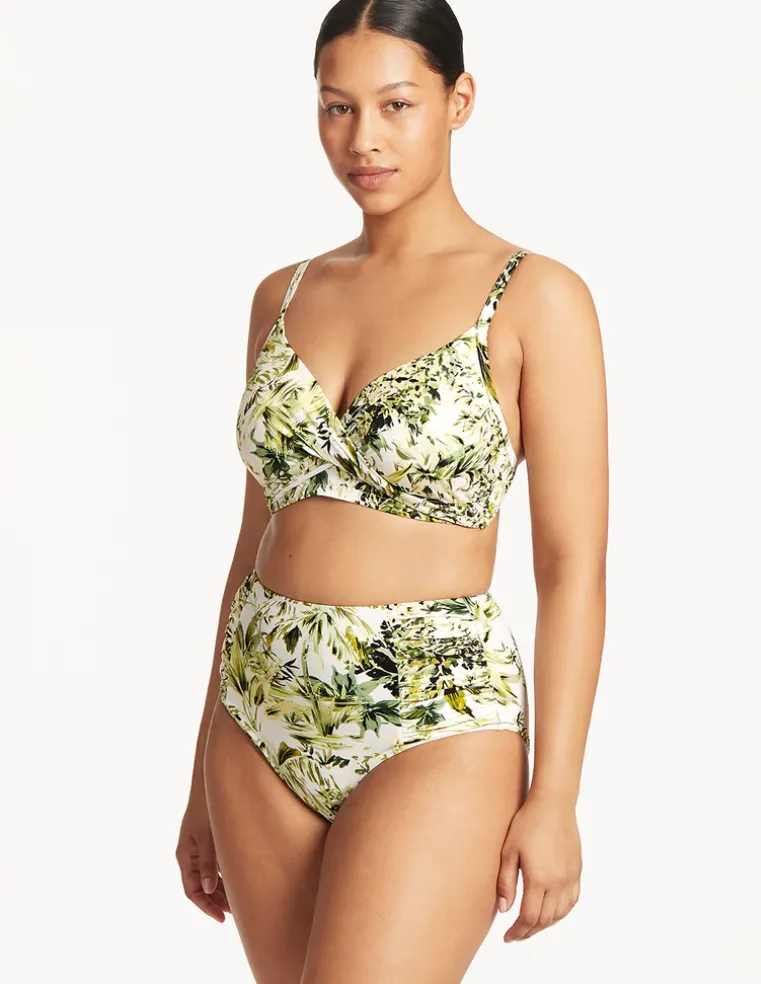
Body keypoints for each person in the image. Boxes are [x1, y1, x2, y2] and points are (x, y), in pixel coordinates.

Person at [176, 1, 608, 981]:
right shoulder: (283, 295)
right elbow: (252, 539)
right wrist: (200, 768)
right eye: (337, 107)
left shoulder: (535, 296)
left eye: (396, 104)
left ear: (459, 101)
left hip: (435, 713)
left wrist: (556, 796)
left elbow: (570, 564)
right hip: (258, 711)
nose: (363, 138)